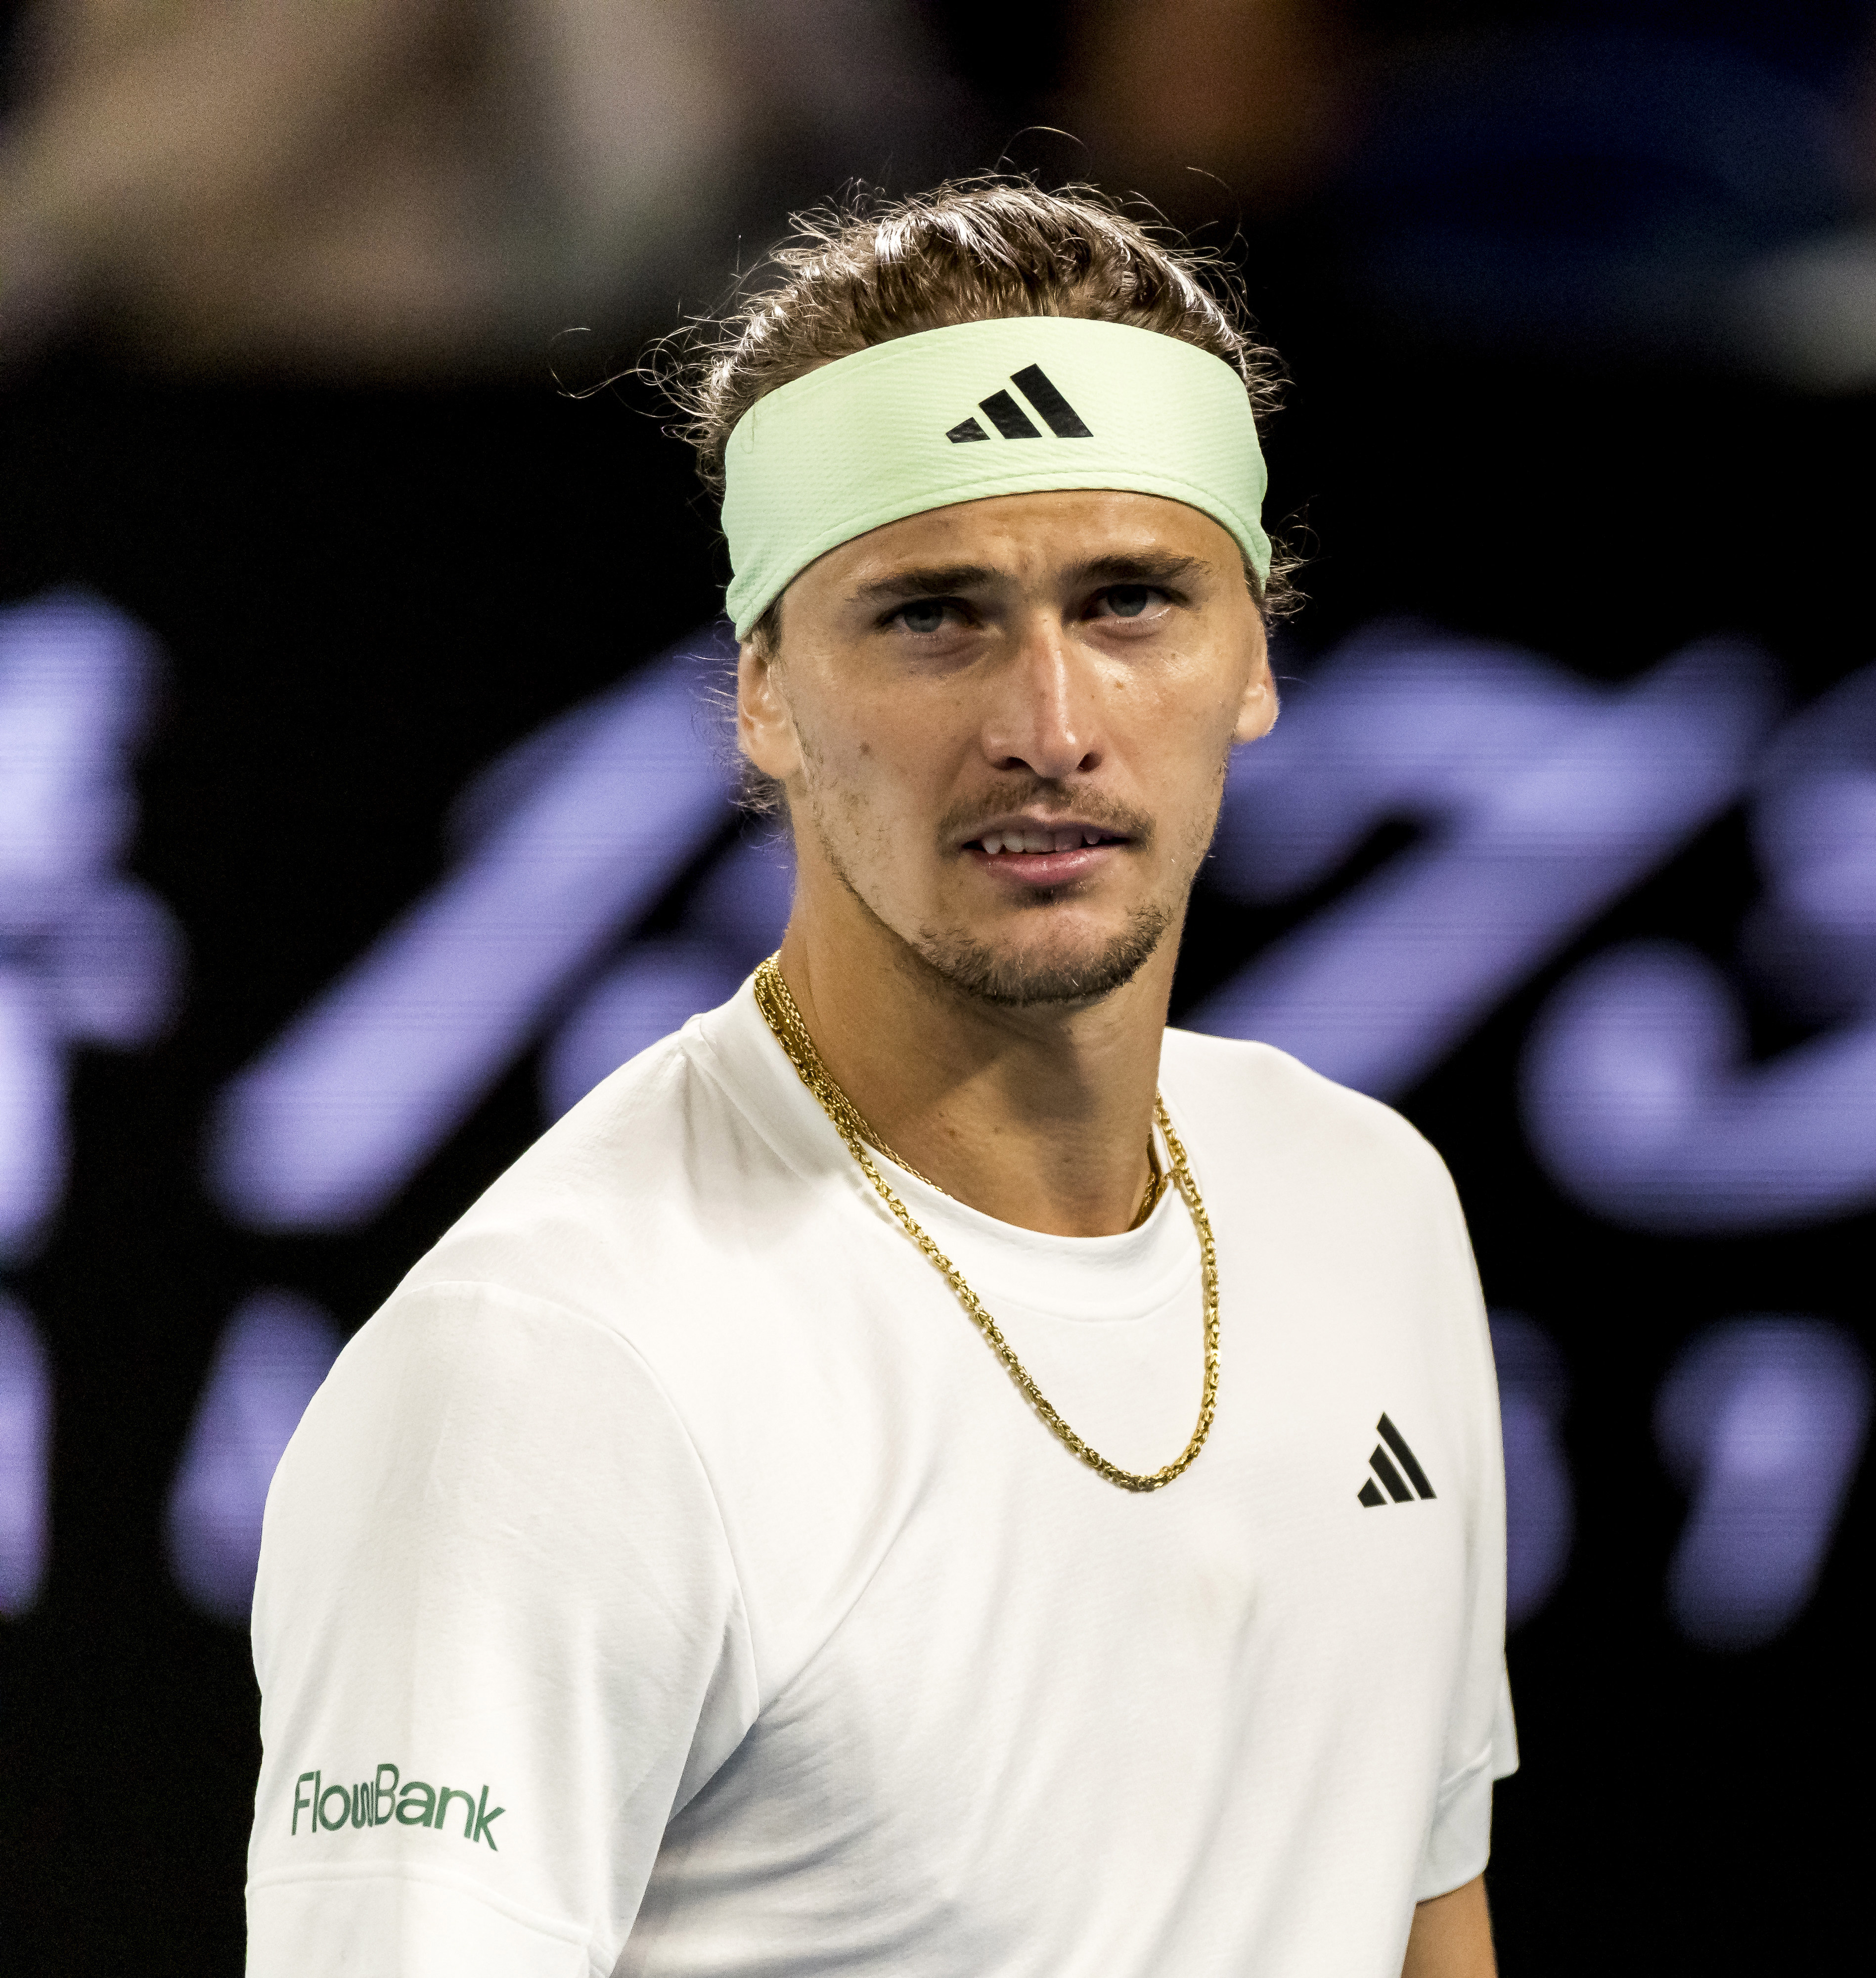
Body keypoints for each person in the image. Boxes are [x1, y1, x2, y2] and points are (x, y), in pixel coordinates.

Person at [239, 180, 1513, 1978]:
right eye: (934, 618)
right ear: (761, 691)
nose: (1049, 726)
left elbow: (1415, 1910)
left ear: (1255, 658)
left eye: (1133, 601)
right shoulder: (547, 1374)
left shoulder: (1367, 1202)